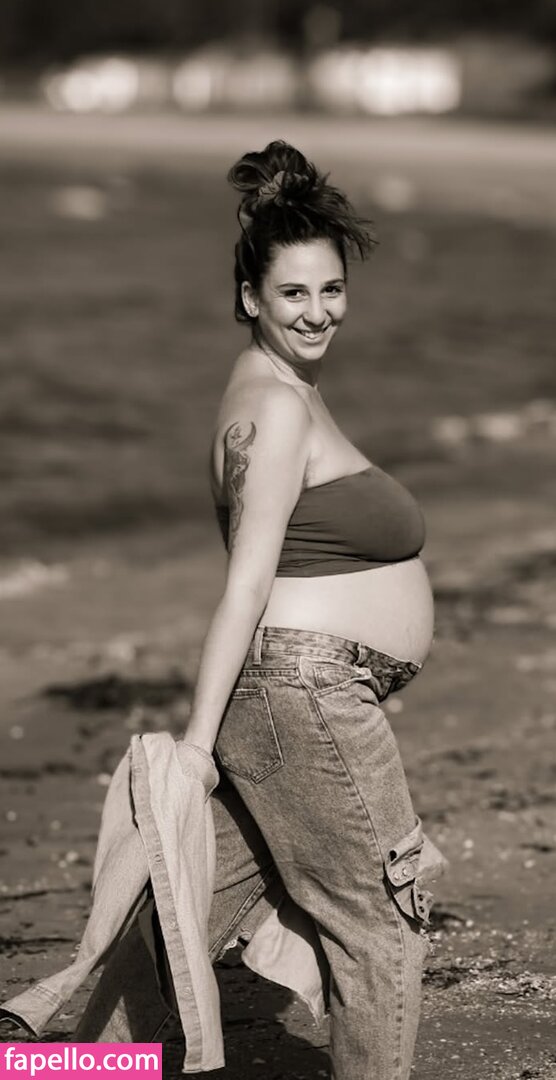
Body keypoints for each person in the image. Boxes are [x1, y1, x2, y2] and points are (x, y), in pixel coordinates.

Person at [178, 139, 444, 1079]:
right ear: (250, 296)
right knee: (383, 922)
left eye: (331, 290)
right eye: (293, 293)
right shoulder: (275, 408)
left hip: (289, 697)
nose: (317, 311)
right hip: (303, 693)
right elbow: (246, 583)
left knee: (176, 930)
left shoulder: (282, 390)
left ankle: (58, 1061)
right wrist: (195, 746)